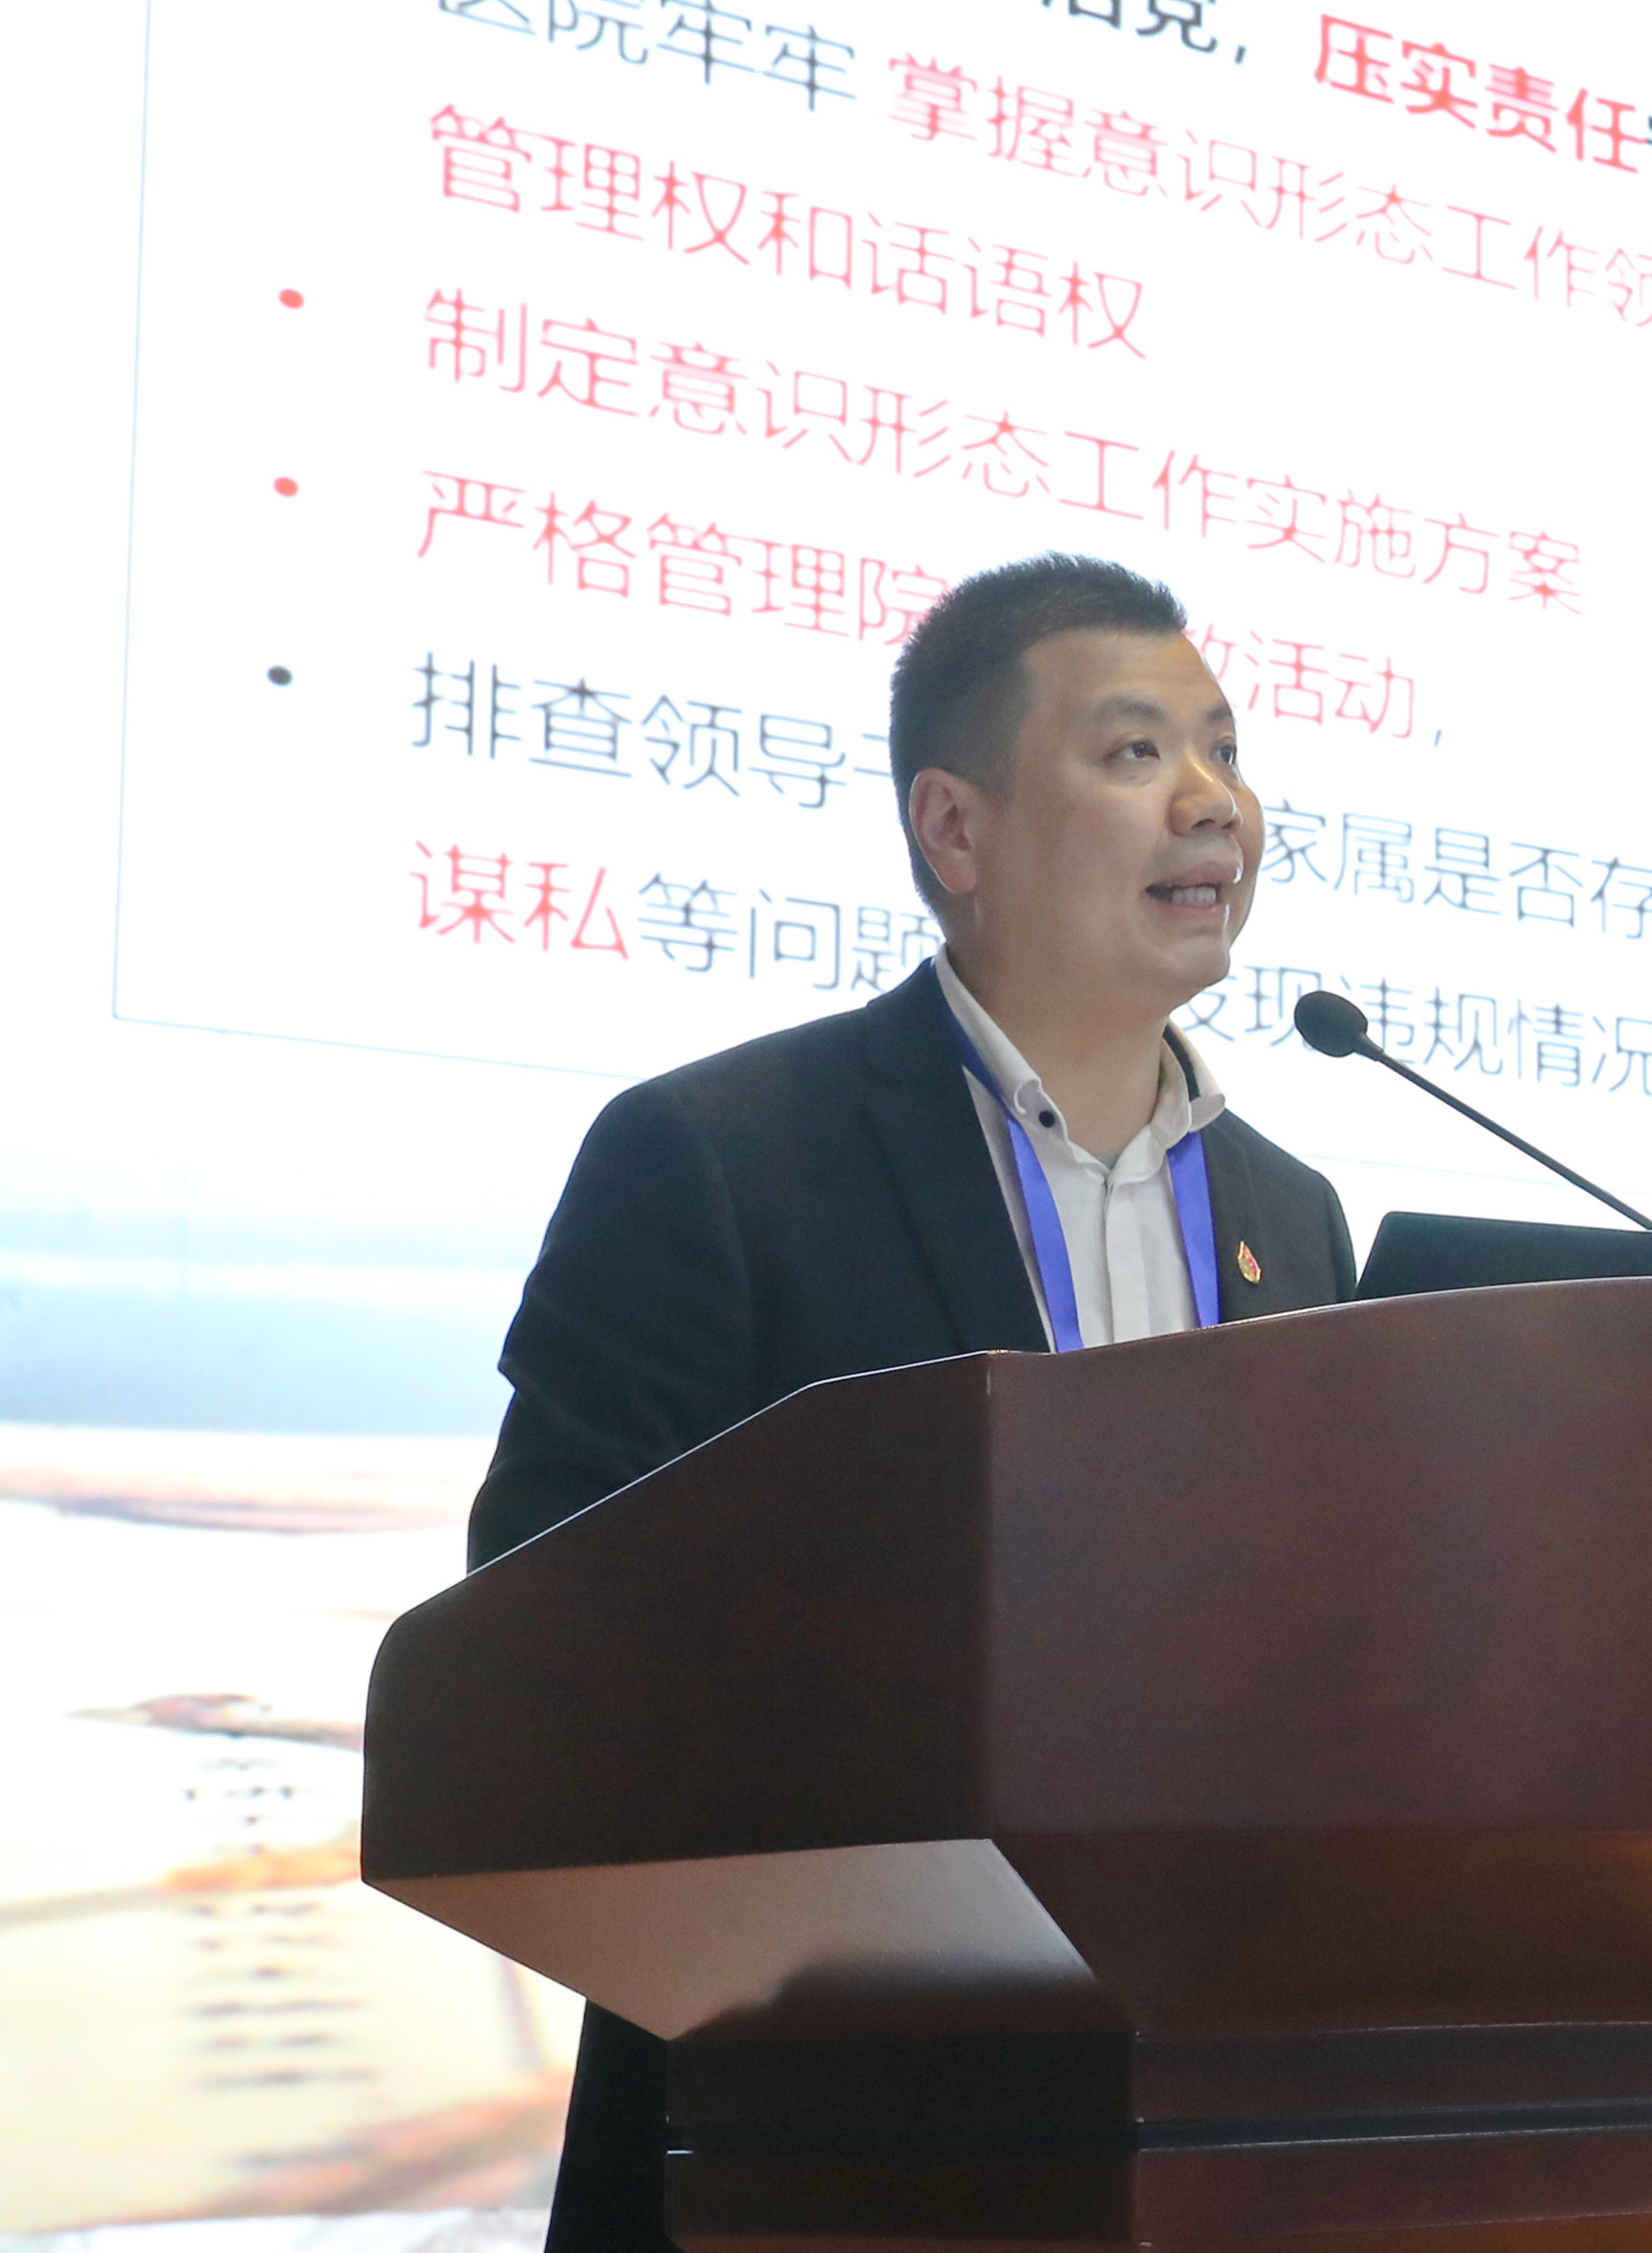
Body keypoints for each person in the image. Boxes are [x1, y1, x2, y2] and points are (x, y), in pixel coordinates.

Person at [468, 553, 1359, 2252]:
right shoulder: (724, 1159)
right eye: (1134, 750)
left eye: (1224, 749)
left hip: (1208, 2129)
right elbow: (544, 1645)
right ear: (955, 828)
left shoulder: (1290, 1215)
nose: (1212, 801)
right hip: (805, 2136)